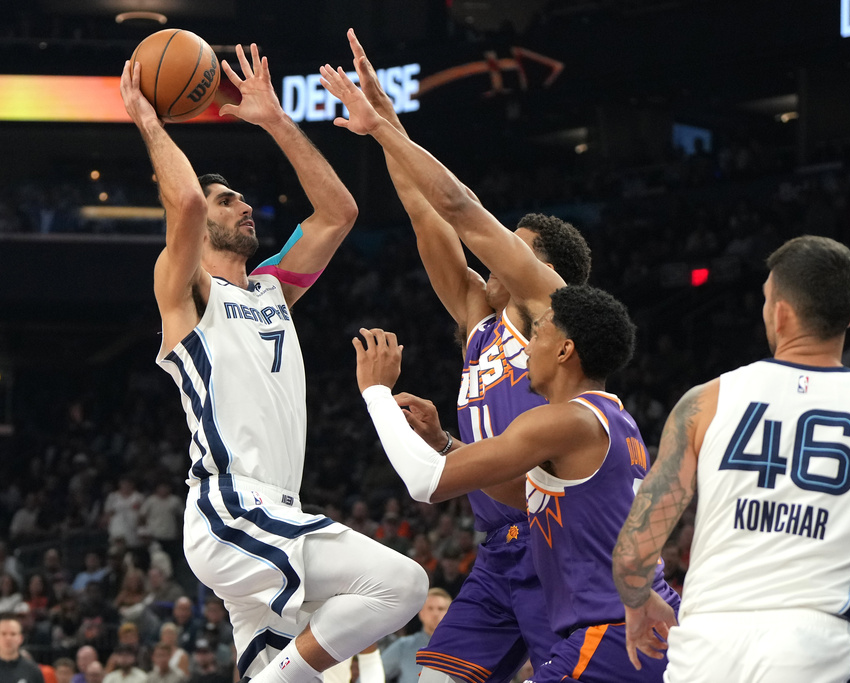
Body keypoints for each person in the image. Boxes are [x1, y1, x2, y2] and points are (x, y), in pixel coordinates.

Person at [117, 41, 427, 683]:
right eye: (229, 201)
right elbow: (188, 205)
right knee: (403, 586)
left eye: (240, 199)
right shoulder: (188, 295)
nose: (243, 206)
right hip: (233, 509)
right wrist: (150, 121)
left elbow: (339, 213)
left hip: (271, 512)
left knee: (290, 670)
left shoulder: (271, 288)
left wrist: (275, 120)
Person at [324, 31, 591, 683]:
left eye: (514, 243)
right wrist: (385, 122)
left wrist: (388, 132)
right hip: (497, 558)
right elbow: (425, 212)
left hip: (558, 552)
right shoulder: (480, 317)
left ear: (540, 264)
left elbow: (461, 208)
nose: (495, 250)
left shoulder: (548, 306)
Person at [611, 235, 850, 680]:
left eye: (767, 300)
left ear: (780, 312)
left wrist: (637, 601)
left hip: (706, 653)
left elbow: (633, 556)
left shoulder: (703, 403)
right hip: (814, 654)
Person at [350, 285, 680, 683]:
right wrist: (443, 443)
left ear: (564, 351)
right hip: (633, 621)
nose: (525, 349)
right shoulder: (612, 419)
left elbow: (424, 482)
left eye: (538, 334)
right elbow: (519, 493)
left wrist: (376, 393)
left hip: (610, 635)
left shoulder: (565, 421)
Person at [381, 589, 452, 683]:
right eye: (430, 608)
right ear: (421, 613)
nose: (435, 614)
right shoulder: (404, 646)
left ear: (451, 613)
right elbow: (370, 675)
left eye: (441, 609)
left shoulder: (463, 648)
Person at [0, 615, 43, 683]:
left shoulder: (33, 670)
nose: (8, 638)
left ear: (20, 638)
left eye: (13, 634)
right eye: (3, 633)